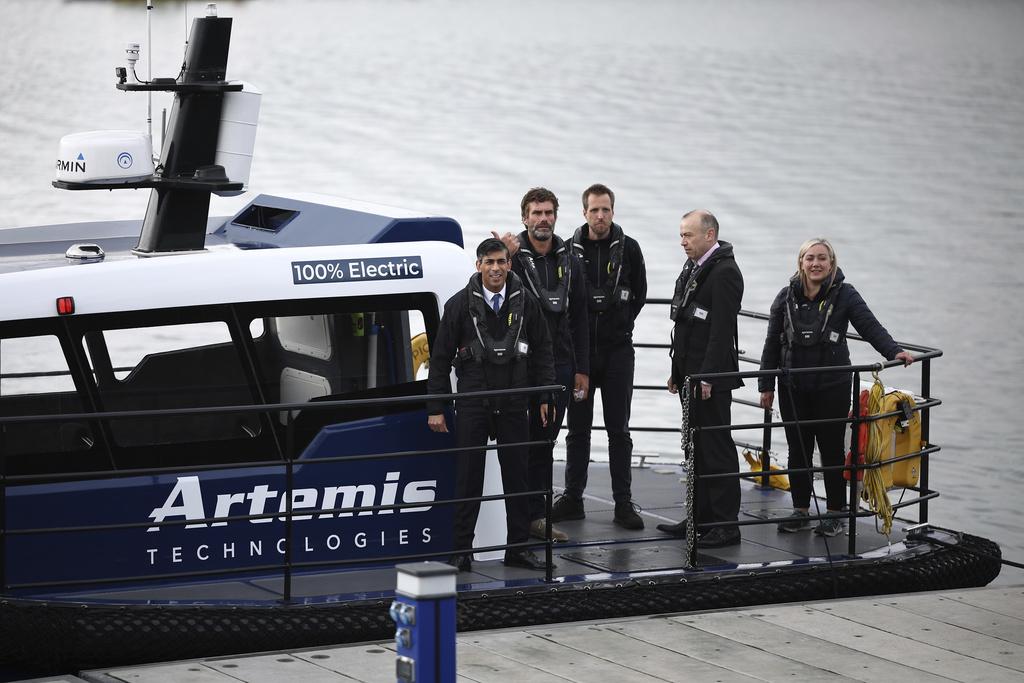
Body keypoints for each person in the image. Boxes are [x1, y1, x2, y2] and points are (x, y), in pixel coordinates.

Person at [758, 238, 914, 537]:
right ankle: (800, 511)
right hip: (792, 386)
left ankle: (834, 513)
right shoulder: (784, 297)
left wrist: (894, 351)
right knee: (798, 450)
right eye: (810, 258)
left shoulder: (846, 294)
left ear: (831, 263)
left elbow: (869, 326)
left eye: (822, 258)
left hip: (832, 386)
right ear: (801, 263)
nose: (815, 263)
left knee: (831, 451)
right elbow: (771, 343)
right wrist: (766, 385)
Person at [426, 237, 556, 572]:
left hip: (514, 402)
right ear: (478, 265)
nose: (496, 268)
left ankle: (518, 549)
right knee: (468, 478)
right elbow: (439, 358)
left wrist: (545, 396)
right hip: (473, 403)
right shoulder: (458, 305)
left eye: (501, 262)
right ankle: (461, 551)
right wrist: (436, 407)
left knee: (518, 479)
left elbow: (543, 350)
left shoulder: (527, 303)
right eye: (489, 262)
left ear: (509, 264)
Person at [493, 187, 590, 543]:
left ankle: (537, 515)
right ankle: (515, 515)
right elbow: (485, 288)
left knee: (545, 442)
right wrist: (503, 253)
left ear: (556, 217)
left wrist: (582, 368)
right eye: (536, 213)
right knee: (518, 442)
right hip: (519, 366)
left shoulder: (571, 261)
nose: (543, 219)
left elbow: (580, 318)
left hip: (560, 365)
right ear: (524, 218)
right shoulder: (512, 259)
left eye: (548, 213)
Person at [550, 184, 647, 530]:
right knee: (577, 430)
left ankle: (623, 503)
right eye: (594, 210)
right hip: (580, 356)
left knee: (619, 430)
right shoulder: (566, 250)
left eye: (605, 209)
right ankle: (573, 498)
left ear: (613, 212)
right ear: (584, 213)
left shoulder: (630, 248)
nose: (600, 216)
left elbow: (639, 295)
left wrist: (619, 326)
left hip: (618, 352)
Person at [656, 210, 744, 548]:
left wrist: (706, 377)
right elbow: (686, 323)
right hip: (690, 375)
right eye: (681, 235)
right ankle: (699, 518)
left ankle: (725, 525)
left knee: (716, 449)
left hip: (711, 380)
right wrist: (677, 372)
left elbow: (720, 332)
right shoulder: (694, 266)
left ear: (710, 235)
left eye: (688, 235)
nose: (682, 241)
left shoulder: (725, 272)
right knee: (695, 449)